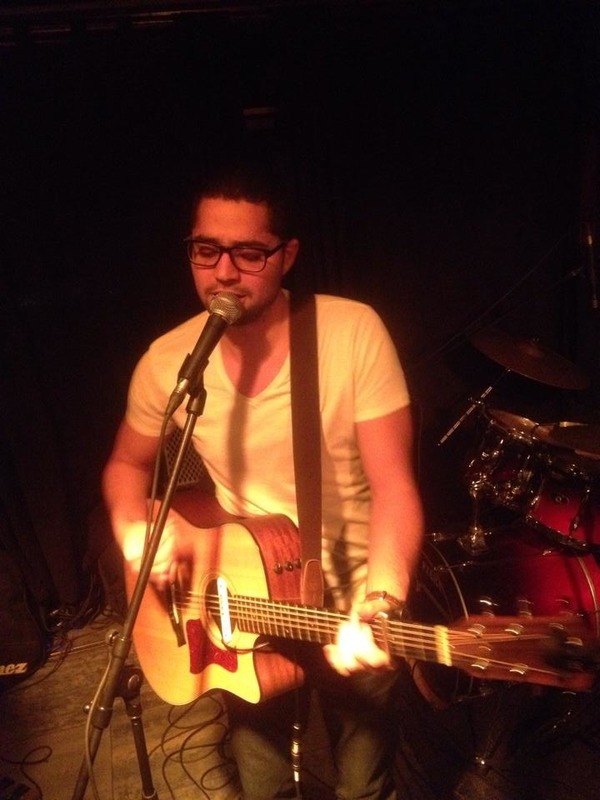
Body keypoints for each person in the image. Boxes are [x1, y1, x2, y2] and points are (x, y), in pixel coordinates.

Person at [102, 156, 424, 799]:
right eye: (206, 250)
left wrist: (383, 600)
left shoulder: (351, 333)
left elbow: (395, 485)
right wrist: (137, 535)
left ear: (287, 255)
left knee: (363, 783)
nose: (224, 272)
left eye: (249, 253)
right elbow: (126, 466)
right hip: (239, 597)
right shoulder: (169, 361)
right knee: (262, 777)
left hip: (351, 604)